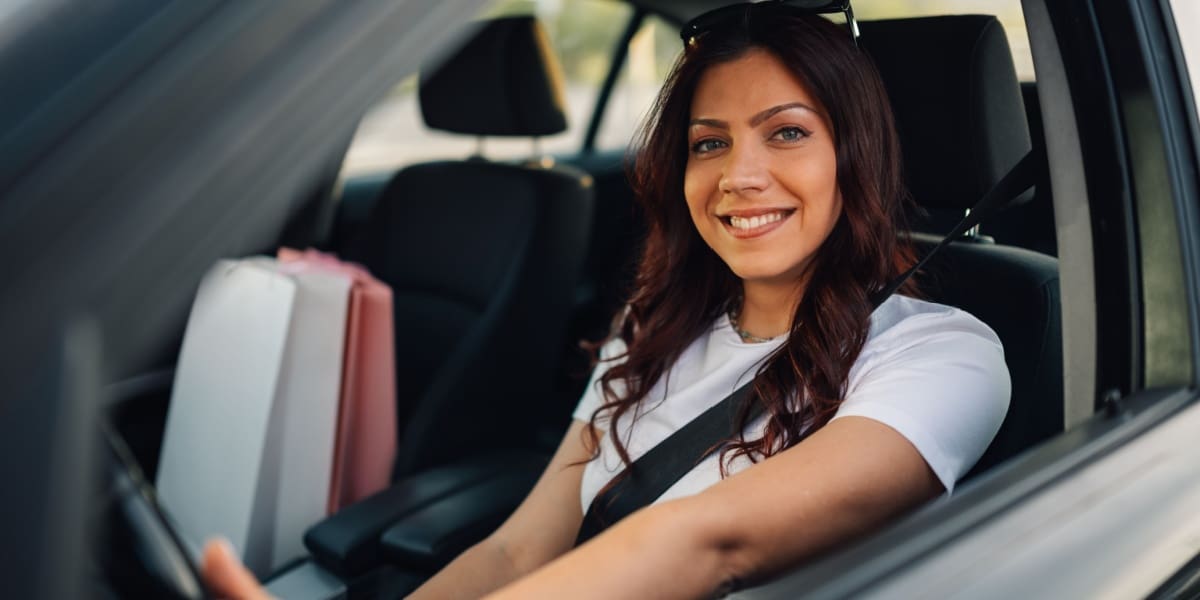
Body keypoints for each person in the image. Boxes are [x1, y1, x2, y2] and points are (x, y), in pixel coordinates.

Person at [202, 3, 1009, 598]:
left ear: (854, 155)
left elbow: (709, 540)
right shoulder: (653, 327)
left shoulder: (942, 354)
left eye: (787, 132)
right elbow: (520, 551)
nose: (739, 175)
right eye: (709, 142)